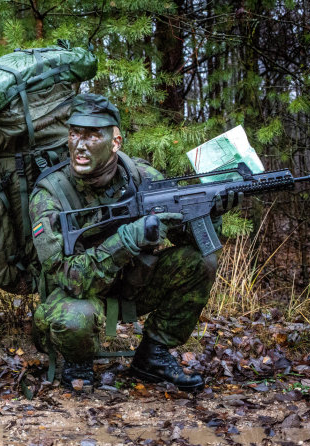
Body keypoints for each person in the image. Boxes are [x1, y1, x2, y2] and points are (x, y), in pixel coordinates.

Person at [29, 94, 241, 391]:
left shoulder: (142, 178)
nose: (80, 144)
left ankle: (152, 355)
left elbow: (186, 237)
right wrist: (128, 239)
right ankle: (78, 362)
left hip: (132, 287)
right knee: (77, 318)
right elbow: (68, 277)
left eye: (93, 135)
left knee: (200, 261)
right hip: (74, 299)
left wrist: (209, 211)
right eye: (75, 133)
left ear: (116, 141)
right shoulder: (50, 193)